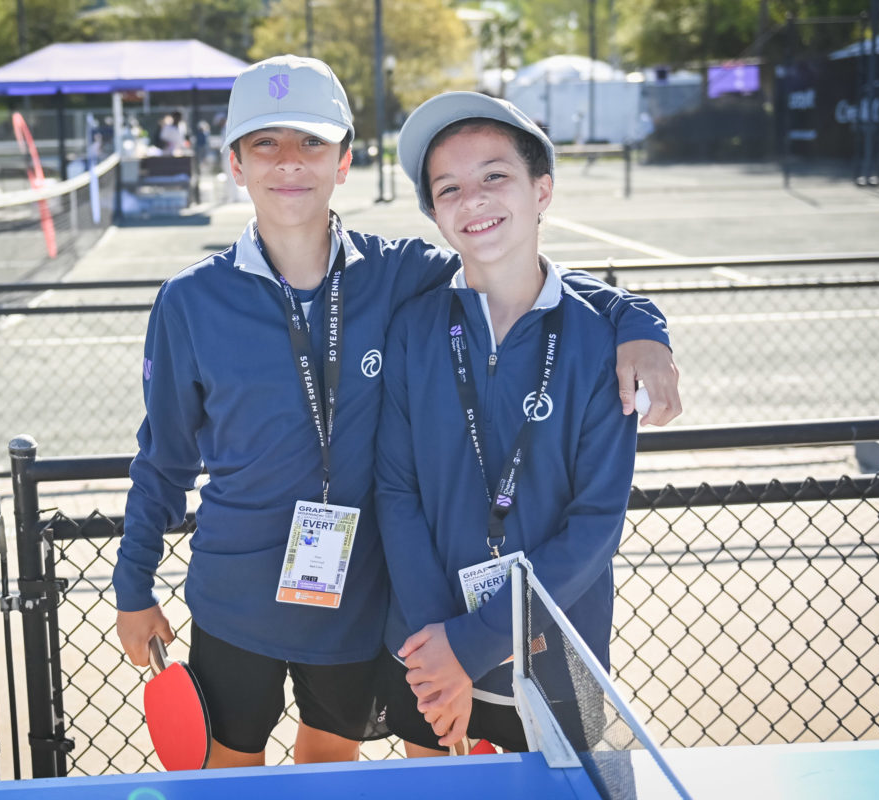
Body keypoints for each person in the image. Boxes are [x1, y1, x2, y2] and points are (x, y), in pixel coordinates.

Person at [112, 56, 680, 771]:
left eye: (312, 143)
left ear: (345, 160)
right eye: (266, 143)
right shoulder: (189, 301)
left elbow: (515, 261)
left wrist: (638, 319)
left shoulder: (398, 271)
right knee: (229, 775)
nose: (290, 162)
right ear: (234, 162)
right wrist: (132, 584)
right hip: (235, 601)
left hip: (357, 599)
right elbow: (162, 458)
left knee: (328, 767)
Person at [374, 92, 641, 755]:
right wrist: (442, 648)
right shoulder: (413, 329)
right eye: (449, 188)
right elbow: (397, 495)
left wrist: (472, 644)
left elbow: (595, 525)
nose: (474, 200)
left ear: (541, 189)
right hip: (426, 644)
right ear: (434, 212)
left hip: (558, 652)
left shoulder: (600, 339)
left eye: (495, 176)